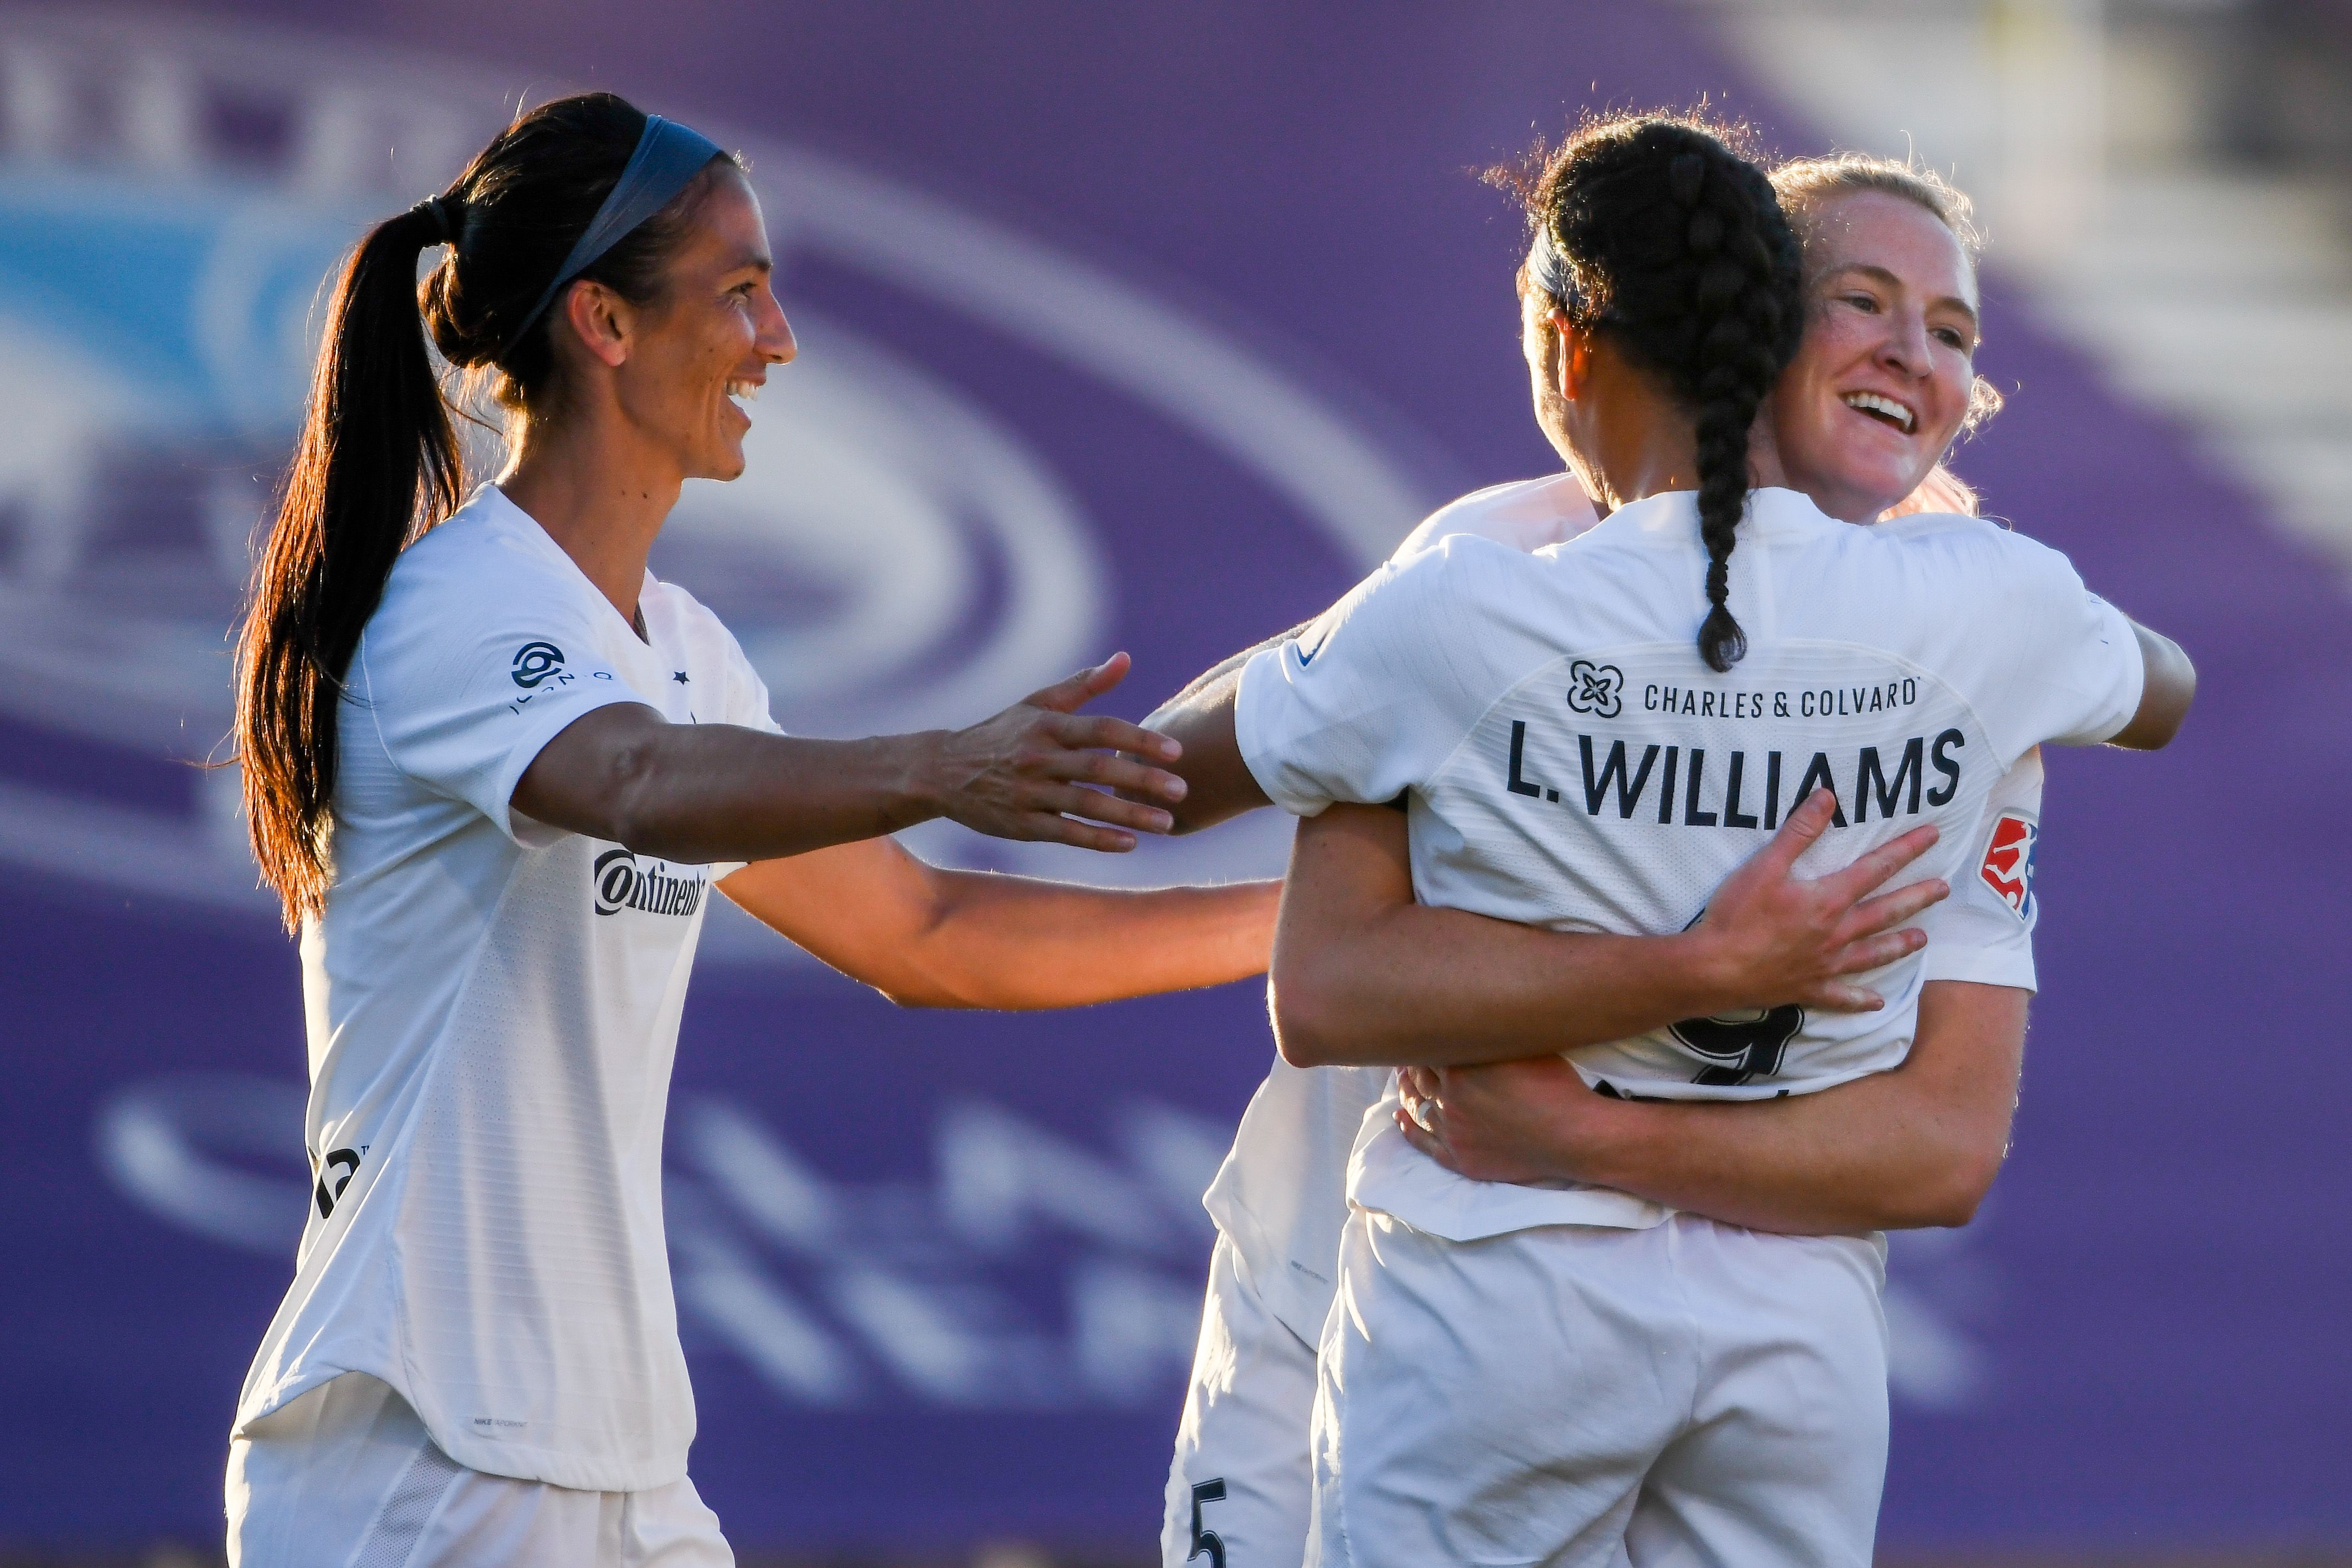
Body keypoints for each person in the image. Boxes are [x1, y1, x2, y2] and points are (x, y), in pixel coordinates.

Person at [223, 94, 1275, 1566]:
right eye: (738, 290)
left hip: (618, 1467)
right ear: (601, 320)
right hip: (417, 1454)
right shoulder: (459, 608)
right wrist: (946, 762)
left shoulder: (686, 646)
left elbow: (929, 929)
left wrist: (1308, 930)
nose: (777, 338)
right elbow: (639, 781)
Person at [1213, 114, 2191, 1564]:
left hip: (1539, 1277)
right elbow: (2164, 682)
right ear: (1740, 314)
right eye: (1863, 299)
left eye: (1954, 330)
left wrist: (1589, 1128)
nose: (1916, 354)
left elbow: (1942, 1147)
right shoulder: (1501, 559)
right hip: (1384, 1292)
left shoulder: (1973, 636)